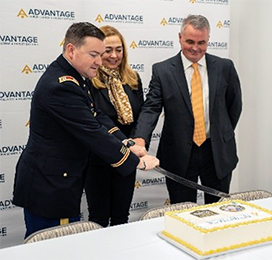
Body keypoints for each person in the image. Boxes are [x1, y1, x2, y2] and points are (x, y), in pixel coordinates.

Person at [12, 22, 159, 238]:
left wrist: (125, 142)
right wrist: (136, 161)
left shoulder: (75, 78)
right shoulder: (62, 85)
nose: (99, 62)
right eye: (94, 54)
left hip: (59, 181)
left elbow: (97, 115)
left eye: (101, 54)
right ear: (71, 50)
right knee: (51, 247)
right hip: (50, 187)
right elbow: (92, 132)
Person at [133, 15, 242, 204]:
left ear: (208, 40)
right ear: (180, 37)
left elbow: (234, 106)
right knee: (183, 213)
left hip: (217, 152)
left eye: (202, 42)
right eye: (190, 41)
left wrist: (222, 133)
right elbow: (151, 108)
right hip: (178, 154)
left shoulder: (225, 67)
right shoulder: (163, 70)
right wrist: (140, 138)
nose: (195, 48)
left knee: (218, 210)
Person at [84, 25, 144, 227]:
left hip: (127, 157)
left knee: (121, 217)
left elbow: (140, 117)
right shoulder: (89, 80)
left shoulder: (133, 79)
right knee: (98, 219)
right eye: (108, 50)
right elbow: (96, 120)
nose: (114, 55)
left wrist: (135, 142)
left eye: (118, 49)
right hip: (98, 160)